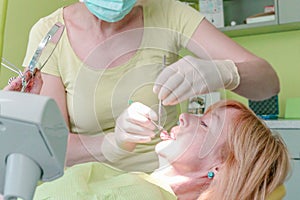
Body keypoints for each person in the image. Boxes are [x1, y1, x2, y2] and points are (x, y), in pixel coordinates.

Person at [5, 0, 280, 172]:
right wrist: (112, 143)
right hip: (86, 187)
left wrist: (224, 71)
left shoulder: (169, 12)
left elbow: (268, 83)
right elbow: (53, 145)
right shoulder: (50, 34)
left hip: (168, 183)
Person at [31, 100, 290, 200]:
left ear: (218, 168)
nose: (183, 117)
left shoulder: (143, 194)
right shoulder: (136, 183)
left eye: (204, 124)